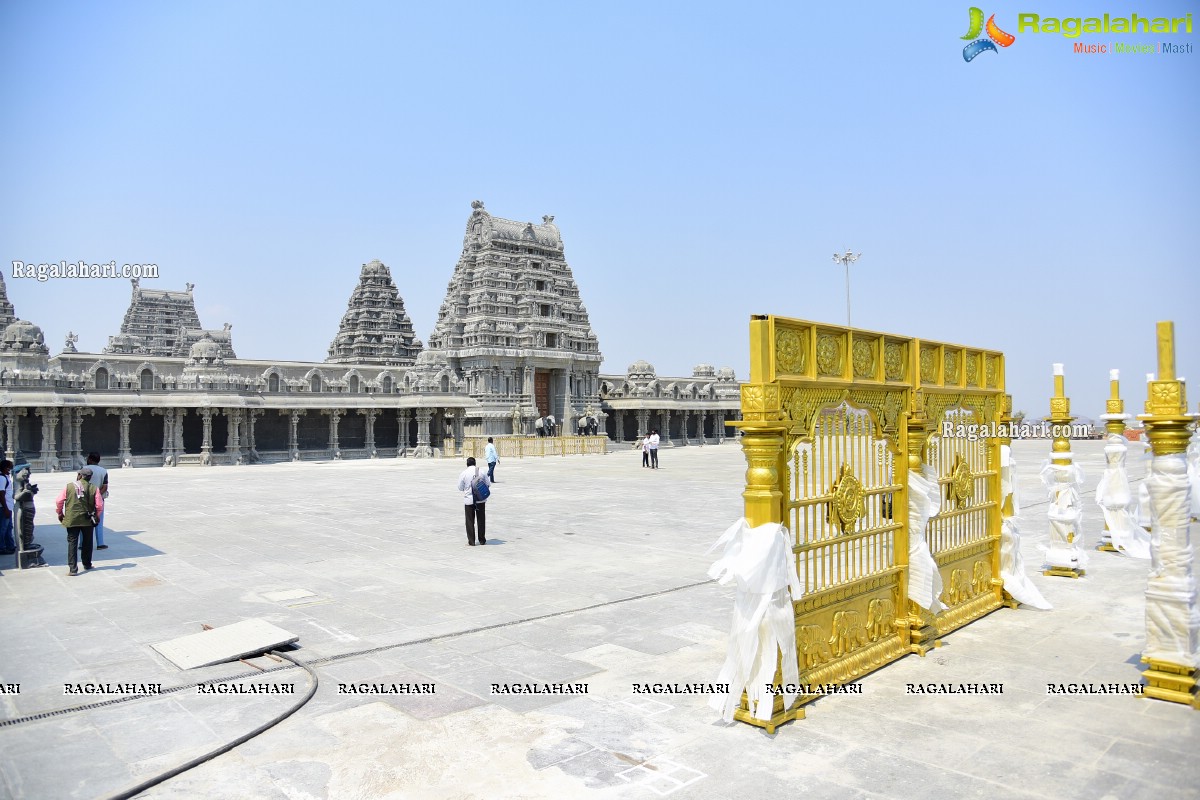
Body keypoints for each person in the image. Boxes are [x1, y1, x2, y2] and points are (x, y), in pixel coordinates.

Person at [55, 467, 104, 576]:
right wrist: (97, 515)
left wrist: (60, 512)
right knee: (87, 542)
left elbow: (59, 501)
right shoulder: (94, 488)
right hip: (87, 519)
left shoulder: (69, 486)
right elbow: (99, 505)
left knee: (72, 542)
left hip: (72, 519)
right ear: (90, 477)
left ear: (80, 475)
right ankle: (87, 564)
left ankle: (73, 569)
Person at [456, 456, 491, 546]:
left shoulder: (464, 473)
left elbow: (460, 487)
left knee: (469, 521)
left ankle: (471, 541)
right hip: (480, 499)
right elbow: (488, 484)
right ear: (475, 463)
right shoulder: (481, 471)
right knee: (481, 520)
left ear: (467, 464)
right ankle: (482, 540)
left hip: (469, 500)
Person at [14, 466, 45, 567]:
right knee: (26, 528)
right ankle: (26, 545)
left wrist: (32, 491)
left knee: (30, 527)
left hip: (30, 507)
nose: (28, 473)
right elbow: (16, 496)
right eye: (26, 472)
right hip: (26, 509)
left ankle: (28, 543)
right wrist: (26, 492)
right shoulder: (18, 483)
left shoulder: (25, 482)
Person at [85, 453, 110, 549]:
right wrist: (97, 495)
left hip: (85, 499)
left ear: (90, 459)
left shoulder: (83, 469)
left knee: (85, 521)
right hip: (99, 498)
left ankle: (82, 544)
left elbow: (79, 483)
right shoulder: (103, 471)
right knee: (98, 520)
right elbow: (105, 486)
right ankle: (100, 543)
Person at [0, 460, 15, 555]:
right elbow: (1, 494)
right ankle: (1, 547)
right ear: (6, 468)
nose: (10, 469)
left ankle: (10, 545)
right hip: (4, 508)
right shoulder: (2, 478)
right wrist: (5, 508)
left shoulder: (6, 477)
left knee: (9, 527)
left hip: (8, 507)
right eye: (10, 467)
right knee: (3, 529)